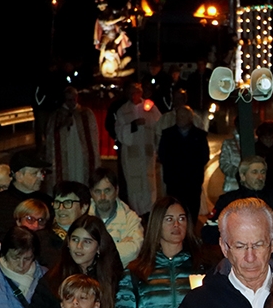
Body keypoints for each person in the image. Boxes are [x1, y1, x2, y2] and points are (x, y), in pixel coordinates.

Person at [21, 214, 125, 308]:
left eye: (87, 241)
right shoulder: (52, 280)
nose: (79, 247)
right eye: (75, 239)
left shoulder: (114, 280)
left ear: (99, 247)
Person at [205, 155, 273, 256]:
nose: (260, 177)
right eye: (254, 172)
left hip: (271, 257)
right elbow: (208, 232)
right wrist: (234, 234)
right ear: (243, 176)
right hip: (237, 258)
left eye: (263, 172)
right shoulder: (228, 200)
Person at [114, 81, 162, 216]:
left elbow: (160, 125)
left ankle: (149, 210)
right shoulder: (123, 110)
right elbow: (119, 130)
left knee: (148, 182)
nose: (133, 95)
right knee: (134, 183)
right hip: (132, 154)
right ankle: (137, 211)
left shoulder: (150, 107)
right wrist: (133, 125)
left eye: (136, 92)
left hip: (147, 153)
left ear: (140, 93)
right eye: (131, 93)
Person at [157, 106, 211, 225]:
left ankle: (190, 229)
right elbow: (162, 155)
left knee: (192, 207)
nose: (179, 119)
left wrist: (193, 168)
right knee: (175, 206)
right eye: (178, 116)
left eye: (182, 116)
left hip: (193, 179)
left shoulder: (199, 135)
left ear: (190, 118)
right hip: (174, 179)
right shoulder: (168, 134)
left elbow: (204, 156)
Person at [44, 85, 100, 189]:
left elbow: (93, 135)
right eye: (68, 100)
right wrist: (63, 125)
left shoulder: (86, 113)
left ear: (77, 98)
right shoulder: (56, 115)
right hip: (65, 154)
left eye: (73, 99)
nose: (71, 102)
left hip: (81, 154)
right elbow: (50, 136)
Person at [0, 150, 53, 241]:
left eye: (41, 173)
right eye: (35, 173)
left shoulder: (47, 202)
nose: (41, 178)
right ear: (19, 176)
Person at [89, 168, 144, 267]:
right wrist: (119, 247)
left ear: (116, 190)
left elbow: (133, 252)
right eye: (97, 191)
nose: (102, 197)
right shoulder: (83, 216)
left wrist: (92, 252)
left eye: (107, 191)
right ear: (91, 193)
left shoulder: (131, 219)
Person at [14, 198, 64, 269]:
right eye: (30, 219)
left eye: (41, 220)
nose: (36, 225)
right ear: (18, 221)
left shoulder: (49, 248)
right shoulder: (10, 244)